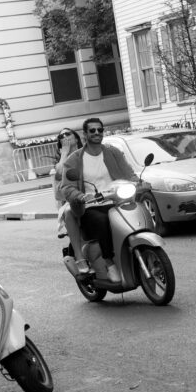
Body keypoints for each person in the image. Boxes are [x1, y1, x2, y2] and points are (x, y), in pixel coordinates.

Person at [59, 117, 138, 283]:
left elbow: (128, 172)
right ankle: (110, 264)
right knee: (102, 221)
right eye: (92, 130)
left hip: (116, 201)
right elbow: (66, 187)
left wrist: (138, 181)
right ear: (85, 134)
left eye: (100, 130)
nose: (97, 133)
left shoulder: (113, 152)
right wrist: (80, 196)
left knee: (136, 215)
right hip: (91, 206)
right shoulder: (74, 159)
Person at [52, 127, 88, 272]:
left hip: (94, 193)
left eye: (68, 134)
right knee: (69, 211)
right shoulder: (61, 161)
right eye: (61, 136)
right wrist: (64, 153)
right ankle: (80, 258)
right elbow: (60, 173)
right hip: (72, 199)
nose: (64, 137)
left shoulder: (86, 152)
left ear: (76, 137)